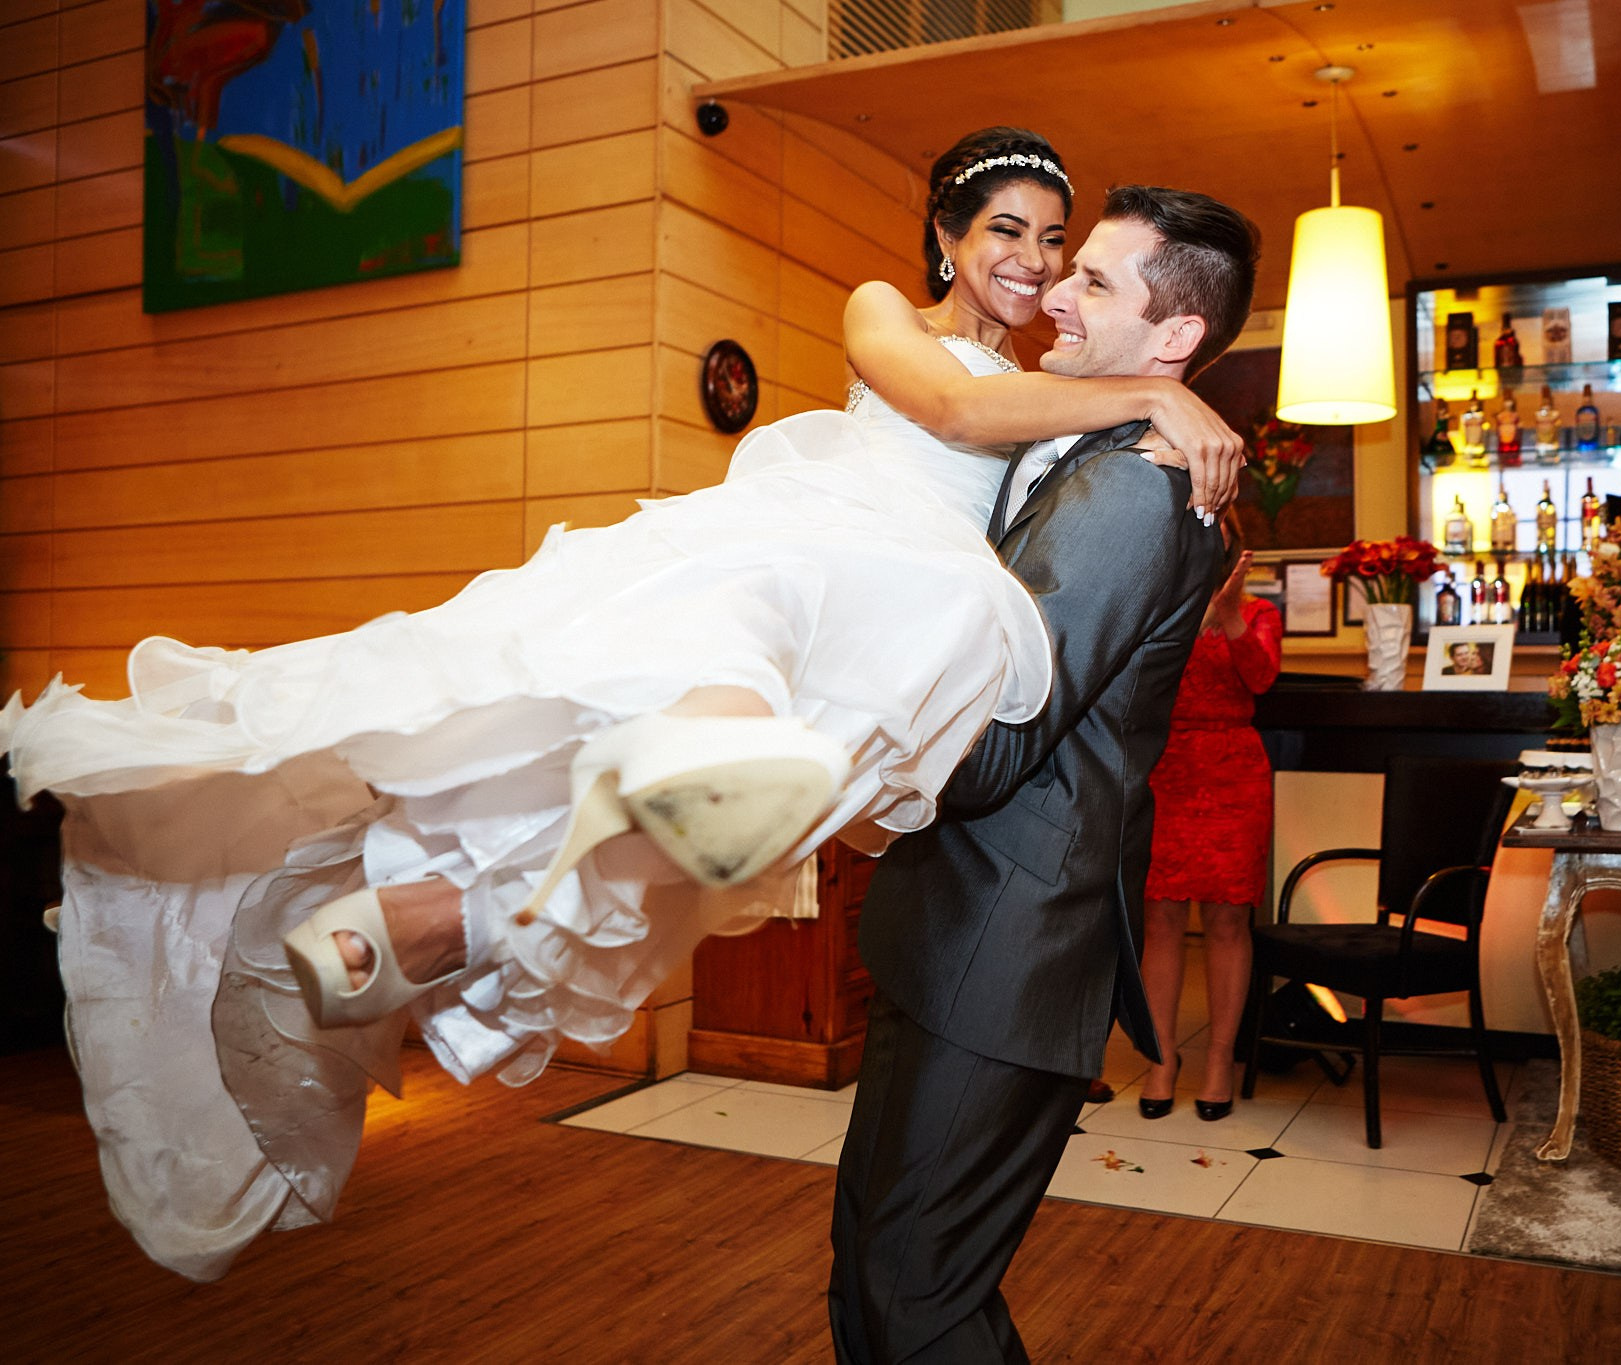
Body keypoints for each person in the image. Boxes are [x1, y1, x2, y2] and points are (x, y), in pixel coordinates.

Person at [0, 127, 1245, 1282]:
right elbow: (955, 412)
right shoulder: (894, 316)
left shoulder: (1060, 392)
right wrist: (1155, 393)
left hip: (903, 634)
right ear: (944, 241)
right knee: (715, 662)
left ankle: (315, 975)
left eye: (1054, 242)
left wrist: (1151, 416)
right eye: (1006, 233)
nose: (1032, 264)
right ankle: (646, 786)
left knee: (557, 855)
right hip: (841, 553)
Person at [829, 184, 1260, 1363]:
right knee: (875, 1259)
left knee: (918, 1292)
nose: (1052, 289)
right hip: (957, 923)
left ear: (1171, 341)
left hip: (1009, 937)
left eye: (1093, 281)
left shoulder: (1131, 483)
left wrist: (839, 736)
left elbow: (1000, 738)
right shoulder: (1081, 437)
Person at [1132, 510, 1280, 1123]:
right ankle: (1161, 1058)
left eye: (1215, 522)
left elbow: (1262, 677)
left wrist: (1231, 614)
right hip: (1164, 768)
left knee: (1226, 923)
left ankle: (1220, 1060)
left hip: (1234, 770)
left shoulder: (1260, 610)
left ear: (1232, 539)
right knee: (1160, 920)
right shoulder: (1151, 601)